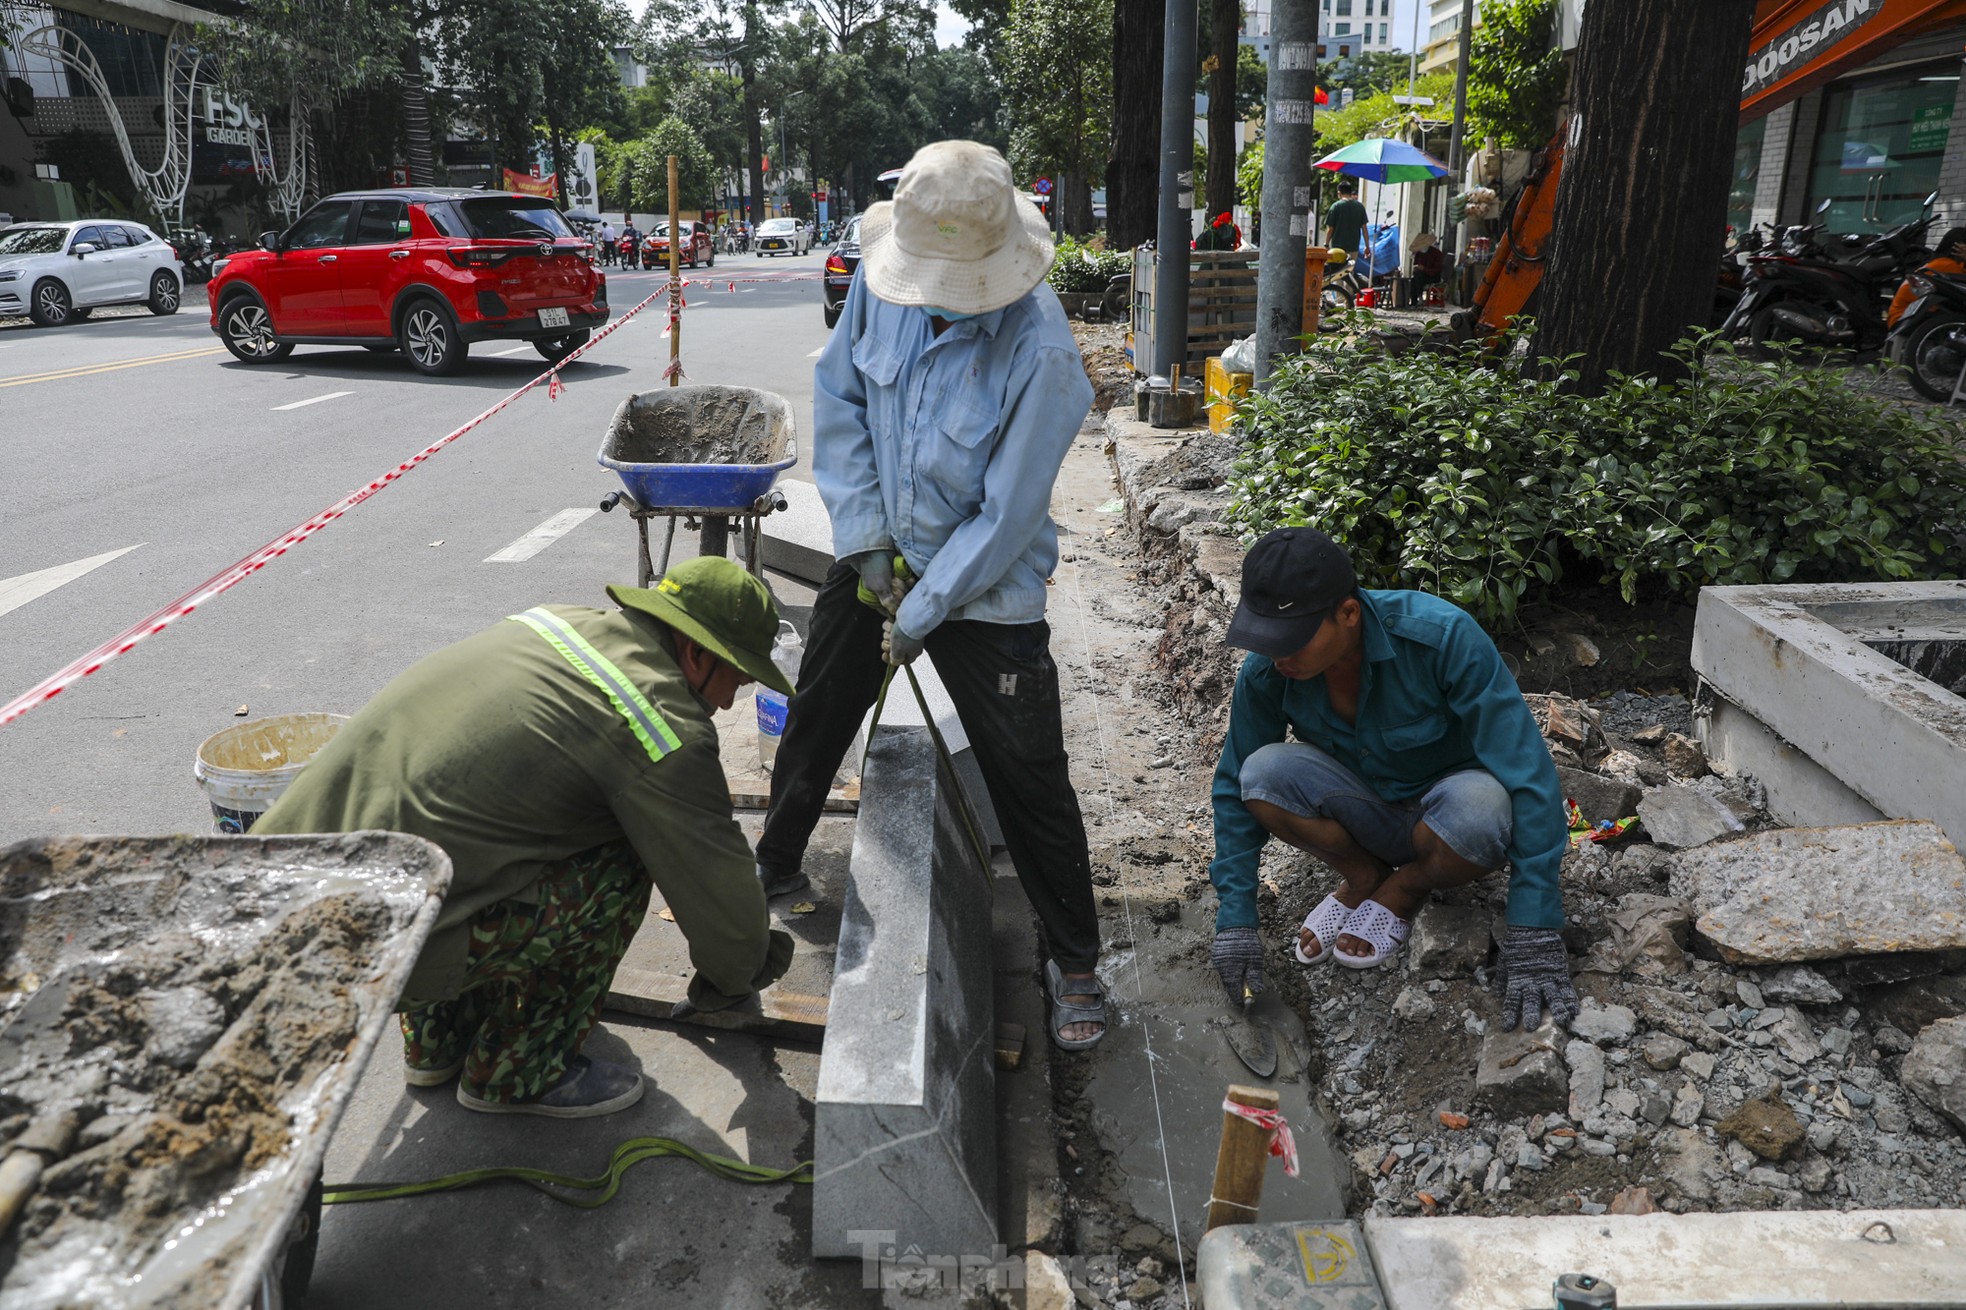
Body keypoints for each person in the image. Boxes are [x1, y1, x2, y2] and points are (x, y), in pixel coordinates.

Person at [752, 139, 1107, 1050]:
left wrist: (920, 608)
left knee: (1028, 774)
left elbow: (1008, 516)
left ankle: (1075, 964)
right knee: (821, 704)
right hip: (882, 552)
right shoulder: (879, 285)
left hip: (986, 591)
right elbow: (839, 405)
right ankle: (776, 867)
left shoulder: (1043, 353)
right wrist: (866, 544)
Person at [253, 557, 797, 1117]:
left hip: (261, 897)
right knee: (623, 860)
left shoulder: (554, 623)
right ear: (696, 652)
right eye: (737, 676)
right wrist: (742, 970)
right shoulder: (661, 725)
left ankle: (439, 1041)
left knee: (490, 822)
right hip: (365, 958)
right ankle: (520, 1073)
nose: (729, 701)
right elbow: (721, 902)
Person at [1206, 529, 1578, 1033]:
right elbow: (1233, 786)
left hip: (1445, 820)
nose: (1278, 657)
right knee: (1261, 773)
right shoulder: (1269, 673)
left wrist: (1535, 923)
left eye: (1291, 640)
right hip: (1361, 809)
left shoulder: (1442, 637)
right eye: (1266, 640)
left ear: (1348, 614)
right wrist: (1236, 918)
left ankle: (1403, 888)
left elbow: (1530, 775)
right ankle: (1365, 877)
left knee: (1485, 808)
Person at [1889, 226, 1966, 328]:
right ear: (1957, 248)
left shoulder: (1939, 262)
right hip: (1906, 319)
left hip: (1902, 317)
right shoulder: (1947, 265)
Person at [1324, 180, 1368, 264]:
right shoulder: (1359, 207)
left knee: (1336, 272)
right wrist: (1367, 246)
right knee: (1349, 271)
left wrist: (1326, 244)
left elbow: (1330, 229)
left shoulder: (1335, 206)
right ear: (1350, 192)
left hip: (1338, 248)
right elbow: (1364, 228)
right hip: (1353, 247)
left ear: (1339, 193)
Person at [1409, 233, 1445, 301]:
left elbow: (1437, 270)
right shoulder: (1419, 254)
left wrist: (1424, 269)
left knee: (1419, 277)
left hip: (1433, 276)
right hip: (1421, 275)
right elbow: (1416, 264)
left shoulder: (1437, 253)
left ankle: (1420, 297)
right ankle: (1414, 300)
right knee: (1414, 279)